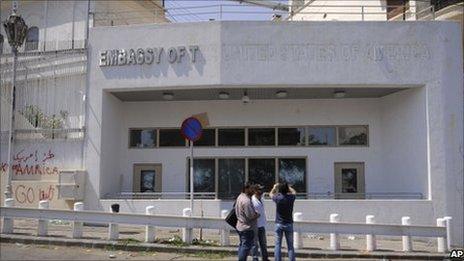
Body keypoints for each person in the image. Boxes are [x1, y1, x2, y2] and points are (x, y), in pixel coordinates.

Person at [270, 182, 296, 261]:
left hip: (279, 223)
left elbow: (270, 194)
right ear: (287, 190)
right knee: (290, 246)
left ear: (280, 190)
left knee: (278, 244)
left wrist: (274, 187)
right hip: (288, 224)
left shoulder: (278, 198)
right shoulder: (291, 198)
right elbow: (294, 192)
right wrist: (289, 187)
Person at [235, 182, 260, 261]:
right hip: (247, 228)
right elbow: (250, 216)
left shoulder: (240, 197)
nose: (253, 190)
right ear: (246, 189)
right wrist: (257, 215)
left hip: (240, 225)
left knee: (242, 246)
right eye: (251, 189)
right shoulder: (246, 201)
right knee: (245, 248)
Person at [251, 184, 269, 261]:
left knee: (263, 243)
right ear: (255, 191)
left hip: (261, 224)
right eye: (259, 190)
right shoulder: (252, 200)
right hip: (254, 225)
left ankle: (265, 258)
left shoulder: (262, 198)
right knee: (255, 244)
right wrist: (255, 215)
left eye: (261, 189)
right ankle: (255, 258)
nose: (261, 191)